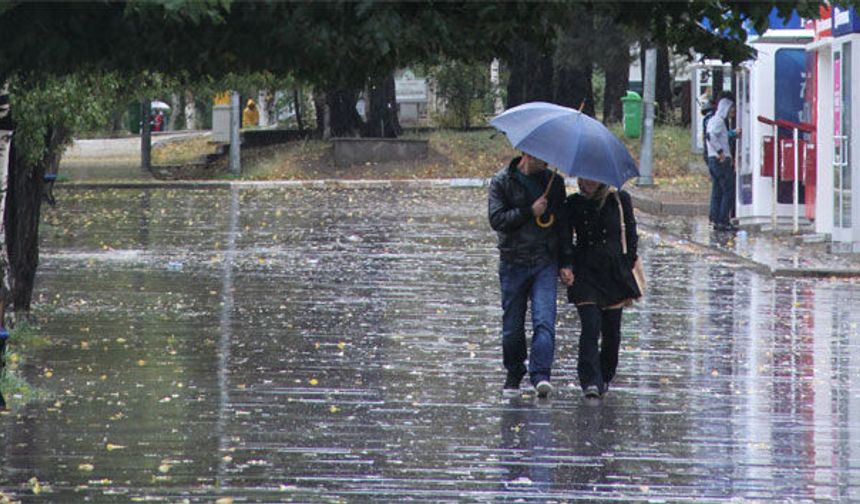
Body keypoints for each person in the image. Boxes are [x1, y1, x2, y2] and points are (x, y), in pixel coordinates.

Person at [488, 153, 573, 398]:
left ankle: (541, 375)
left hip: (544, 261)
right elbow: (497, 219)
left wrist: (566, 261)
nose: (545, 161)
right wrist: (529, 211)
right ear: (526, 154)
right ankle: (514, 372)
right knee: (512, 325)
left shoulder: (553, 183)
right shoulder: (502, 181)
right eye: (539, 157)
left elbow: (562, 224)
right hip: (513, 262)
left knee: (544, 320)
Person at [564, 178, 640, 399]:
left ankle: (605, 375)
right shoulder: (574, 203)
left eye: (590, 179)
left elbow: (631, 233)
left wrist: (628, 261)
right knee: (590, 326)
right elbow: (566, 239)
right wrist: (566, 265)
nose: (585, 182)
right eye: (582, 178)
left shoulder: (619, 200)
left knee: (612, 331)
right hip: (585, 273)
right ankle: (589, 380)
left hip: (614, 273)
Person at [706, 95, 738, 231]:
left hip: (713, 160)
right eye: (732, 110)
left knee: (717, 190)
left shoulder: (714, 120)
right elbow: (711, 136)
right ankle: (723, 220)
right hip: (720, 161)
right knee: (728, 190)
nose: (733, 113)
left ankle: (716, 219)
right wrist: (721, 152)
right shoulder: (719, 122)